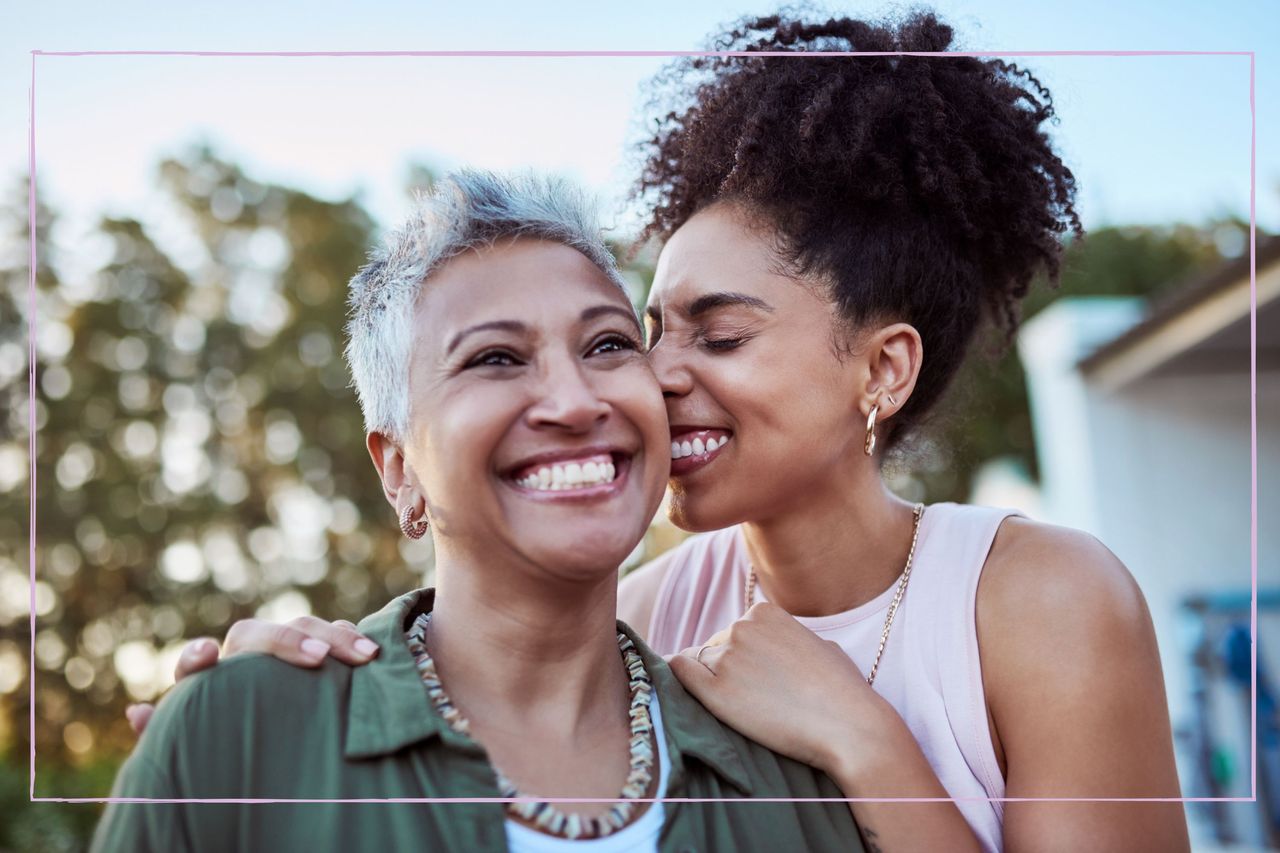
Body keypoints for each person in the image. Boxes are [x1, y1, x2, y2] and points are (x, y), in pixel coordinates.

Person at [127, 11, 1190, 852]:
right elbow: (472, 652)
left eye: (718, 336)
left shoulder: (1038, 599)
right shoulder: (652, 613)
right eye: (647, 333)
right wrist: (272, 680)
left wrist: (866, 743)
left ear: (881, 367)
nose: (652, 378)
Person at [94, 171, 863, 853]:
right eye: (496, 358)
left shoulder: (781, 771)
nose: (575, 400)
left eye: (607, 345)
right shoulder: (242, 738)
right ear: (400, 468)